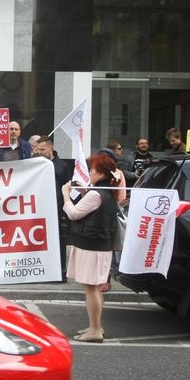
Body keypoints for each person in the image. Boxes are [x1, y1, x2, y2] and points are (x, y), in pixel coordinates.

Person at [60, 151, 121, 343]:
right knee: (94, 288)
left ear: (102, 174)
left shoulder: (97, 193)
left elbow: (74, 214)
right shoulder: (106, 192)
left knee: (91, 289)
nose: (90, 174)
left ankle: (95, 330)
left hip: (92, 246)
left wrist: (66, 196)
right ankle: (96, 326)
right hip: (99, 245)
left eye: (92, 170)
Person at [32, 136, 71, 281]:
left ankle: (60, 272)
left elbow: (67, 187)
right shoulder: (35, 163)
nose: (40, 152)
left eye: (43, 149)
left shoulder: (62, 166)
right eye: (38, 149)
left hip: (57, 209)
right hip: (39, 208)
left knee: (59, 241)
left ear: (51, 148)